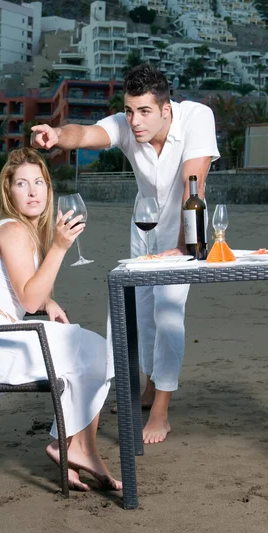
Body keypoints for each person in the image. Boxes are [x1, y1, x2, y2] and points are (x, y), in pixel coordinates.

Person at [31, 63, 220, 445]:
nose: (134, 121)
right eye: (130, 110)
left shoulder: (198, 117)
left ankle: (162, 411)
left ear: (166, 110)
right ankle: (149, 388)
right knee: (141, 312)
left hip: (185, 226)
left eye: (144, 111)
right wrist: (57, 134)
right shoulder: (126, 123)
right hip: (144, 224)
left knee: (168, 311)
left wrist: (185, 246)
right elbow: (84, 133)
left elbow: (193, 183)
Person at [0, 147, 121, 492]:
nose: (32, 191)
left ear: (48, 188)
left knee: (93, 350)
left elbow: (24, 290)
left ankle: (79, 448)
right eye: (22, 184)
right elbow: (27, 298)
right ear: (8, 192)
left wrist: (49, 301)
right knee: (93, 351)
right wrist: (58, 247)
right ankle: (71, 446)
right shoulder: (12, 230)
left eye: (39, 182)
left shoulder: (22, 231)